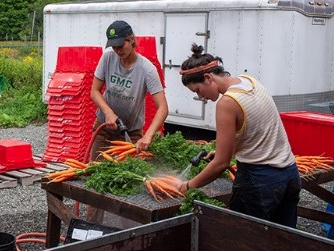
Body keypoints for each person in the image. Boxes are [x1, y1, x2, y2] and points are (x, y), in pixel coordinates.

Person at [176, 44, 301, 228]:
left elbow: (221, 164)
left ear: (208, 78)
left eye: (197, 91)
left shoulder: (227, 103)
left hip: (260, 182)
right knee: (283, 241)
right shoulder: (249, 81)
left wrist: (187, 186)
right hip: (290, 174)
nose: (200, 97)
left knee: (244, 243)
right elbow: (254, 128)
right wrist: (222, 150)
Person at [87, 20, 168, 224]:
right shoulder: (107, 59)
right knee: (96, 180)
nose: (117, 50)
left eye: (120, 45)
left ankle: (128, 233)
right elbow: (94, 91)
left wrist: (148, 135)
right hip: (104, 130)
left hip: (130, 134)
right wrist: (107, 112)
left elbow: (163, 108)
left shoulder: (146, 69)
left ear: (132, 40)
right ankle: (90, 231)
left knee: (128, 183)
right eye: (113, 46)